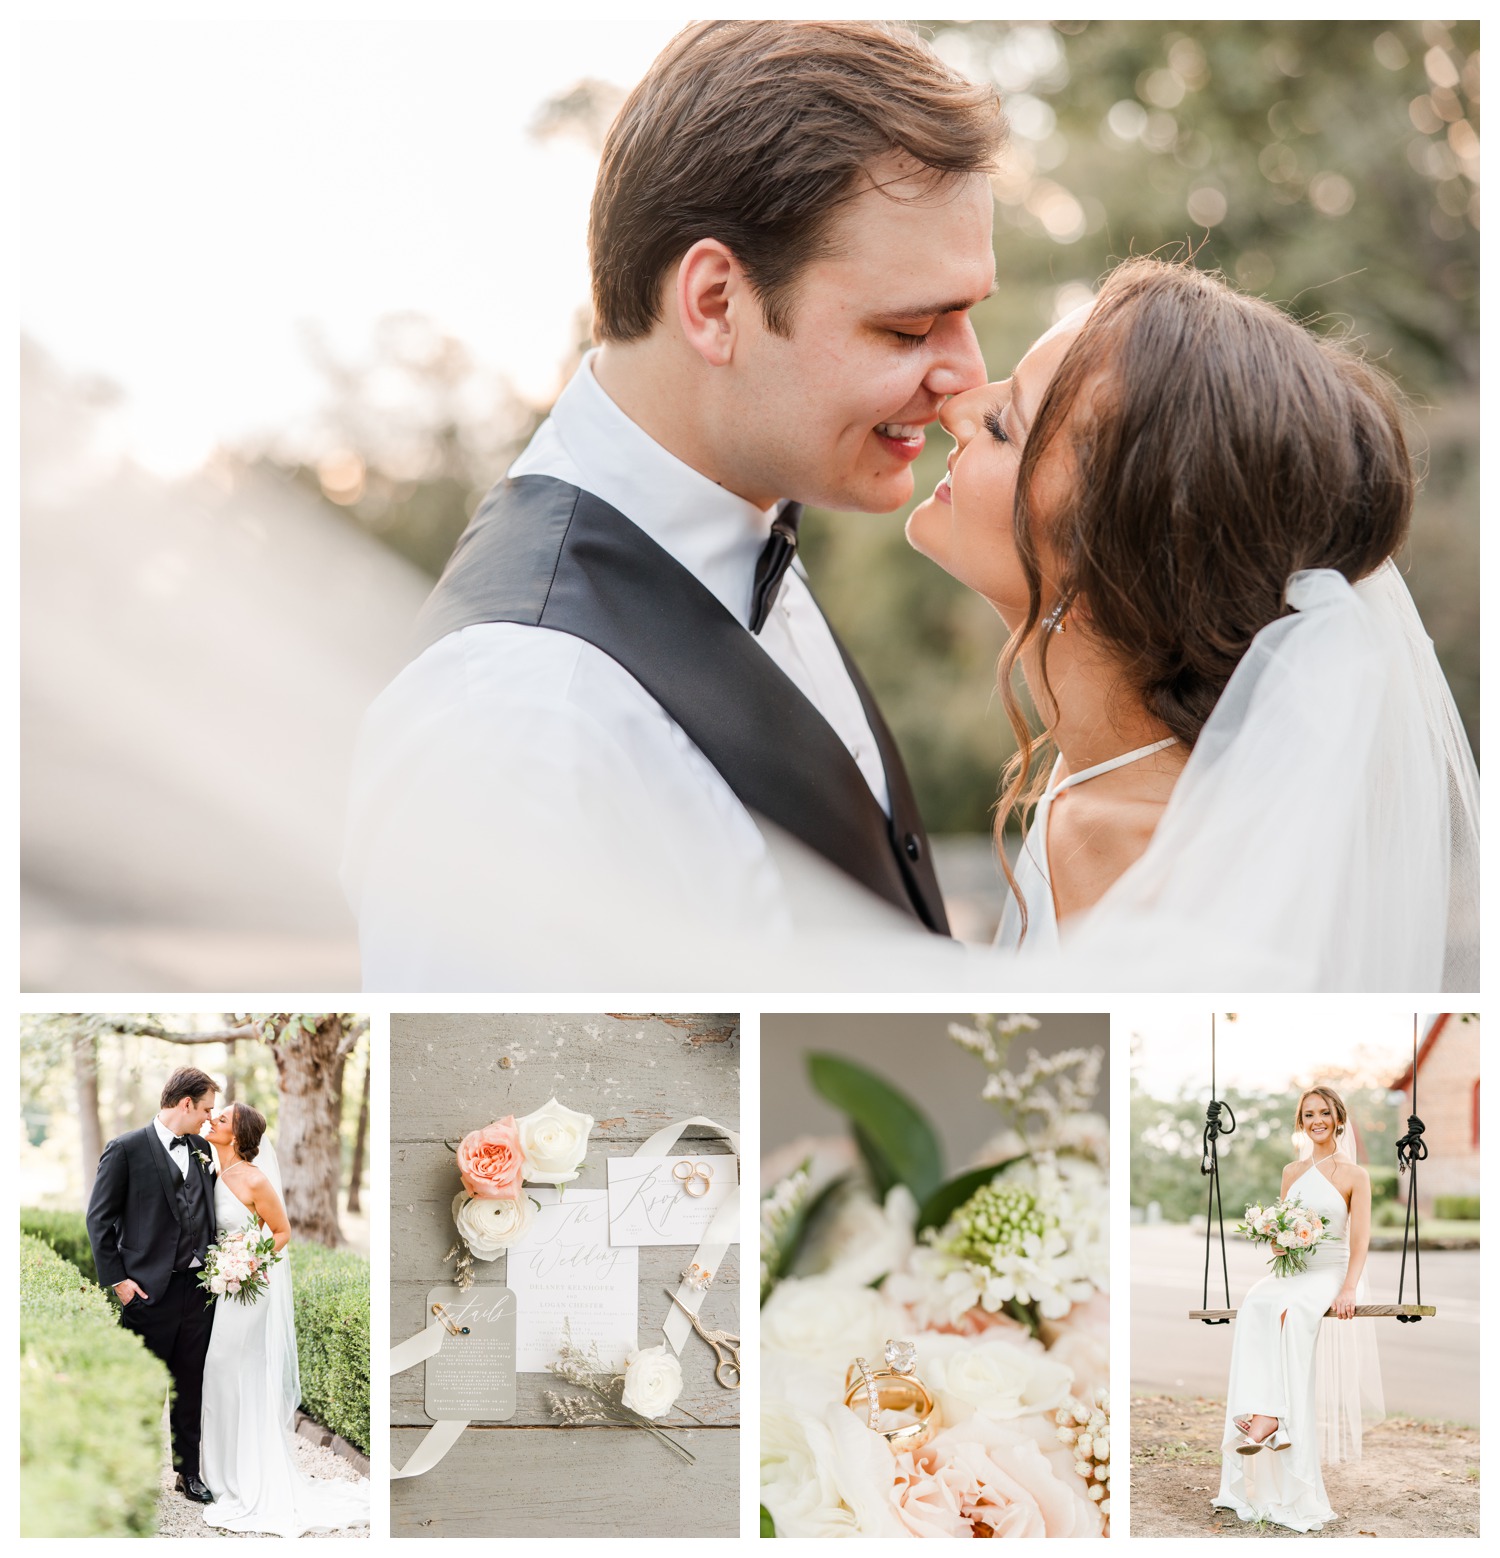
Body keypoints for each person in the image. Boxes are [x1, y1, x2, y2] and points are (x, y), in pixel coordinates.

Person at [341, 20, 1007, 989]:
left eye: (966, 314)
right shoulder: (518, 719)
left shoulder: (745, 505)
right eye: (907, 327)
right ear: (714, 303)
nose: (963, 379)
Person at [907, 256, 1479, 990]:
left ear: (1102, 566)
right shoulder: (1097, 797)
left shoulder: (1138, 850)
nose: (955, 409)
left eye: (1000, 426)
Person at [1210, 1086, 1384, 1531]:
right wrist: (1277, 1233)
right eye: (1308, 1114)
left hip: (1329, 1271)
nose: (1316, 1120)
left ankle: (1274, 1417)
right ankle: (1259, 1411)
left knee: (1291, 1315)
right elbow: (1282, 1232)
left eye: (1324, 1112)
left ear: (1338, 1119)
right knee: (1255, 1304)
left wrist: (1348, 1288)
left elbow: (1358, 1239)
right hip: (1294, 1267)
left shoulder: (1354, 1175)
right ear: (1301, 1122)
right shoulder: (1292, 1171)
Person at [197, 1102, 369, 1536]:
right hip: (224, 1288)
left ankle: (244, 1478)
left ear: (236, 1136)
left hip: (247, 1288)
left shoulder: (254, 1178)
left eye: (221, 1119)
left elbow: (282, 1232)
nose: (212, 1120)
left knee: (227, 1368)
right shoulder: (215, 1173)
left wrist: (245, 1263)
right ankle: (220, 1475)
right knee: (222, 1374)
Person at [86, 1066, 221, 1504]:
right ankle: (135, 1475)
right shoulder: (125, 1149)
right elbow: (99, 1220)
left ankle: (189, 1474)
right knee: (143, 1386)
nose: (208, 1117)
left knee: (189, 1384)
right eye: (205, 1109)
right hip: (145, 1292)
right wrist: (119, 1282)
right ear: (185, 1104)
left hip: (198, 1290)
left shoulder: (201, 1147)